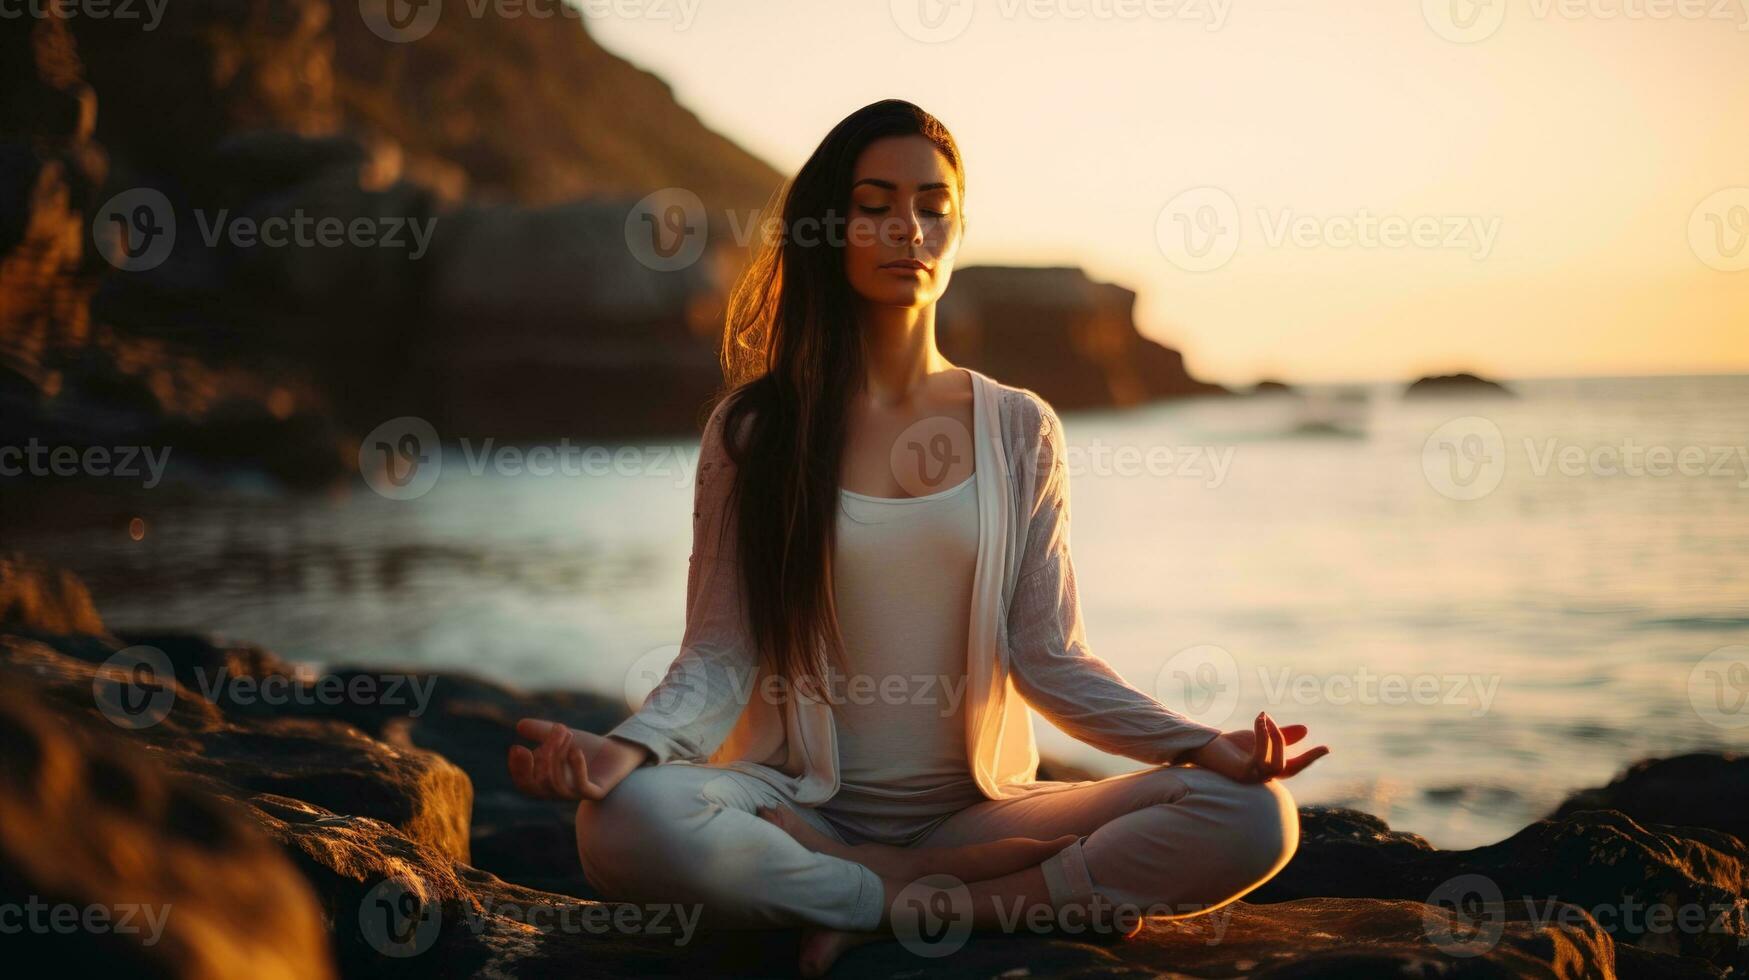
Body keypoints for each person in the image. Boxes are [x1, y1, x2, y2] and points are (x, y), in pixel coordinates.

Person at [508, 99, 1328, 977]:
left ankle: (917, 899)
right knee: (624, 823)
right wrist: (624, 750)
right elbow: (717, 655)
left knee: (1253, 814)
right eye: (876, 205)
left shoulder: (1018, 427)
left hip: (979, 816)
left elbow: (1050, 657)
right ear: (832, 226)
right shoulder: (754, 430)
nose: (909, 229)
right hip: (796, 809)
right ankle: (893, 895)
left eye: (933, 208)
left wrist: (1200, 744)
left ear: (959, 227)